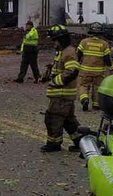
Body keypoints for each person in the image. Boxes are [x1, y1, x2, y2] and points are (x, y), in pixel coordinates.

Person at [41, 24, 82, 152]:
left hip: (62, 95)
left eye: (55, 40)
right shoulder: (63, 52)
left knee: (53, 118)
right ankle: (81, 143)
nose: (54, 43)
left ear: (61, 39)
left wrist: (55, 81)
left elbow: (72, 71)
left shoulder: (68, 52)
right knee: (68, 121)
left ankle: (54, 144)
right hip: (63, 95)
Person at [76, 22, 111, 111]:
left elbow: (78, 55)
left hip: (85, 70)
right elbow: (107, 59)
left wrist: (76, 64)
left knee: (83, 85)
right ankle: (96, 104)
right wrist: (110, 67)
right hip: (99, 71)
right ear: (101, 33)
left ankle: (85, 99)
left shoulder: (84, 42)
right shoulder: (104, 44)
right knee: (97, 87)